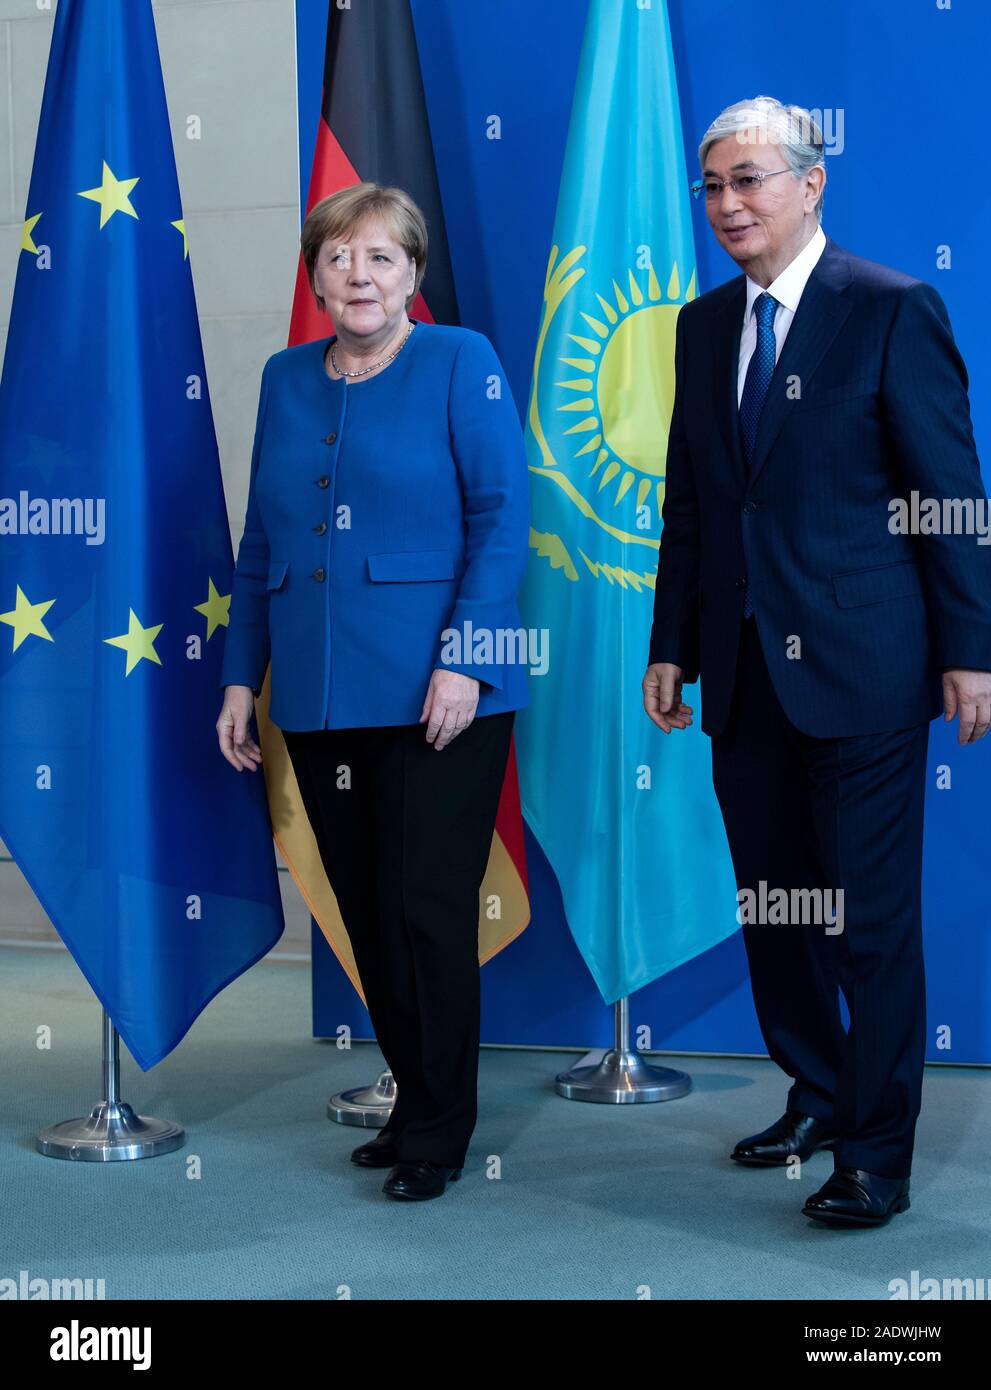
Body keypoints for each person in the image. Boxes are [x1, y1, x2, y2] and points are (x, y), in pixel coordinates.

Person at [642, 96, 991, 1227]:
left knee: (867, 922)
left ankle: (875, 1153)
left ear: (810, 183)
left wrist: (970, 650)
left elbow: (949, 495)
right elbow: (690, 500)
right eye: (714, 187)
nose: (729, 205)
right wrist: (671, 644)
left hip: (865, 670)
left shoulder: (891, 309)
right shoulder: (700, 328)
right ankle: (818, 1090)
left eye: (750, 180)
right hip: (741, 677)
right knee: (779, 910)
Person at [216, 182, 529, 1202]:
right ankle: (415, 1100)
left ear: (412, 275)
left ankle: (442, 1125)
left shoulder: (460, 361)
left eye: (382, 258)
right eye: (341, 257)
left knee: (429, 908)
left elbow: (501, 517)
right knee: (364, 911)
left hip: (442, 691)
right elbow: (262, 537)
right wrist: (238, 675)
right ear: (315, 273)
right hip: (314, 693)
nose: (360, 275)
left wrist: (467, 658)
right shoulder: (285, 376)